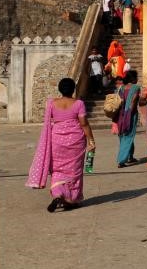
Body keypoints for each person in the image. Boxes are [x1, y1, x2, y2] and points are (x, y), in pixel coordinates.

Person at [27, 78, 95, 212]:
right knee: (74, 171)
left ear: (59, 89)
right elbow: (84, 124)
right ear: (73, 89)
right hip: (75, 141)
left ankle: (58, 194)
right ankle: (71, 200)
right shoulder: (79, 103)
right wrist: (91, 140)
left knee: (57, 170)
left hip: (56, 140)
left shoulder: (51, 103)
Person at [114, 70, 141, 168]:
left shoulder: (121, 88)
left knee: (123, 135)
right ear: (133, 78)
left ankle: (130, 156)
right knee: (129, 135)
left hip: (120, 114)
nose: (137, 79)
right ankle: (121, 160)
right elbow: (134, 102)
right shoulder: (136, 88)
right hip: (130, 113)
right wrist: (130, 114)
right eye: (136, 77)